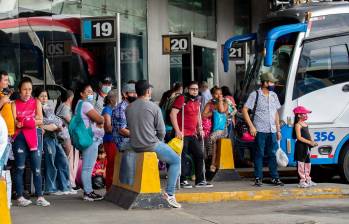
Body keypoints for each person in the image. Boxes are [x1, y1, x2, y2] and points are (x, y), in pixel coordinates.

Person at [126, 80, 181, 208]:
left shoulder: (129, 108)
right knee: (175, 160)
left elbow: (131, 127)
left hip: (134, 145)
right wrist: (159, 143)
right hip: (151, 145)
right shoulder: (153, 107)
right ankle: (170, 194)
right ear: (148, 91)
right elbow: (161, 131)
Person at [11, 77, 50, 207]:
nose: (27, 92)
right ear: (19, 90)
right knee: (20, 167)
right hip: (20, 138)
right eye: (24, 89)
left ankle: (40, 196)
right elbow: (15, 123)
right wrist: (30, 120)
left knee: (37, 168)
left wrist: (26, 120)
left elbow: (41, 120)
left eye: (30, 89)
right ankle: (20, 197)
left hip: (35, 136)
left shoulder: (36, 102)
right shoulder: (14, 104)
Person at [242, 72, 284, 187]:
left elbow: (276, 113)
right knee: (259, 154)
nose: (273, 84)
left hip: (272, 130)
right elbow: (245, 110)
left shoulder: (274, 95)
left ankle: (275, 178)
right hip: (259, 130)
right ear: (264, 83)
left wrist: (278, 130)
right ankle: (258, 178)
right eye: (271, 82)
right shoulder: (255, 95)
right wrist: (251, 126)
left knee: (272, 154)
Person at [170, 81, 213, 188]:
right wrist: (177, 130)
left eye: (196, 89)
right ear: (187, 89)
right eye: (192, 89)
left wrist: (200, 128)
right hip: (182, 133)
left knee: (199, 154)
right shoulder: (182, 99)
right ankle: (182, 180)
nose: (194, 91)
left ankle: (200, 180)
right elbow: (173, 114)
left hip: (192, 133)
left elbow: (198, 115)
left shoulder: (197, 100)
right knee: (182, 156)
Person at [34, 87, 73, 195]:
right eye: (41, 96)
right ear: (36, 98)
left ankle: (65, 186)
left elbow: (55, 120)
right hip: (46, 138)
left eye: (45, 96)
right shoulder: (35, 109)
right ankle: (51, 188)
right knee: (50, 163)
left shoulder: (48, 107)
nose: (44, 98)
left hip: (55, 137)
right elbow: (42, 122)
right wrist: (53, 125)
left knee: (63, 160)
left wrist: (54, 125)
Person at [72, 82, 105, 201]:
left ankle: (88, 191)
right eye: (88, 92)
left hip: (85, 139)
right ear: (81, 94)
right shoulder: (86, 105)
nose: (91, 94)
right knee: (88, 168)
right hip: (90, 139)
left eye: (92, 92)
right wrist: (101, 121)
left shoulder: (79, 104)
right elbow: (99, 118)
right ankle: (88, 192)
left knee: (87, 166)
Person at [56, 90, 79, 190]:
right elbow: (71, 122)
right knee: (69, 160)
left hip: (64, 136)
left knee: (66, 159)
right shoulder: (65, 108)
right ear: (70, 98)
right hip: (66, 137)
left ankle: (68, 182)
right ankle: (70, 182)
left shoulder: (62, 106)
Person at [202, 87, 229, 172]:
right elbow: (203, 115)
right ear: (213, 95)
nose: (218, 95)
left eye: (220, 94)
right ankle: (210, 162)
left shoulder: (225, 102)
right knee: (209, 141)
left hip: (222, 130)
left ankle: (212, 161)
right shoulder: (210, 103)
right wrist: (212, 112)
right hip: (211, 129)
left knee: (212, 138)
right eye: (216, 94)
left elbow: (221, 110)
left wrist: (220, 101)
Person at [293, 106, 317, 188]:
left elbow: (308, 135)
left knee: (308, 163)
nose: (306, 115)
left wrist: (312, 142)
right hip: (301, 146)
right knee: (301, 163)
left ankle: (308, 180)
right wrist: (309, 142)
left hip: (307, 146)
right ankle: (302, 181)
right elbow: (299, 137)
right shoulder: (298, 125)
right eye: (304, 113)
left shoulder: (305, 124)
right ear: (299, 115)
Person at [0, 71, 14, 206]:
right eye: (4, 80)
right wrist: (2, 101)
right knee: (2, 167)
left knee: (5, 166)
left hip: (8, 136)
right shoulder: (1, 97)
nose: (7, 83)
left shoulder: (3, 95)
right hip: (2, 139)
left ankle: (6, 200)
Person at [112, 83, 137, 151]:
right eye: (132, 93)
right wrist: (139, 136)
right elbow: (122, 130)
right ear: (125, 94)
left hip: (131, 140)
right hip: (123, 142)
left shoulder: (133, 106)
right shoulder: (121, 108)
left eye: (136, 93)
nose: (135, 95)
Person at [101, 89, 118, 191]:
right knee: (112, 163)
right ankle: (109, 187)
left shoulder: (113, 109)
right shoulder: (107, 110)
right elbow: (107, 127)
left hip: (114, 140)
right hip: (110, 140)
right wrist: (120, 129)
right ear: (112, 99)